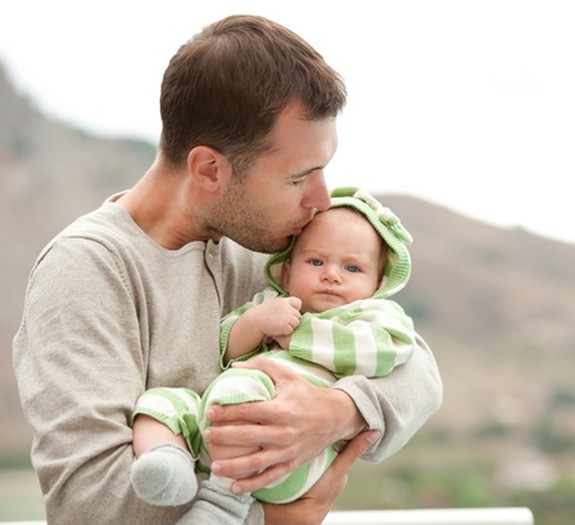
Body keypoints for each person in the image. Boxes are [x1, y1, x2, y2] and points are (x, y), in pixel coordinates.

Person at [12, 14, 442, 525]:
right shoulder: (87, 271)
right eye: (300, 176)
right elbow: (90, 503)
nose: (322, 199)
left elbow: (417, 366)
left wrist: (332, 414)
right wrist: (276, 519)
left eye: (324, 170)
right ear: (210, 170)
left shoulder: (270, 247)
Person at [130, 187, 418, 508]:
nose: (332, 275)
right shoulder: (270, 303)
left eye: (352, 268)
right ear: (287, 270)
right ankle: (168, 463)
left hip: (290, 459)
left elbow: (381, 352)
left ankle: (222, 503)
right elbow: (224, 350)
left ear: (378, 283)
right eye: (316, 261)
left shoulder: (372, 315)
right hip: (215, 427)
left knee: (243, 387)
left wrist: (298, 334)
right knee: (160, 401)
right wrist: (254, 323)